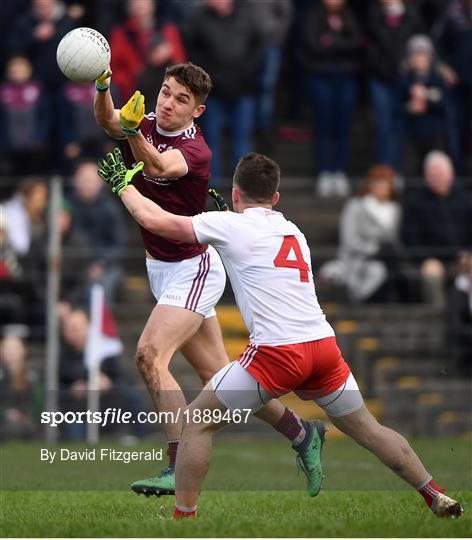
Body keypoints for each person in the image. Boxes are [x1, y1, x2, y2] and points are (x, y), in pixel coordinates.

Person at [98, 148, 463, 519]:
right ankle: (434, 493)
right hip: (323, 349)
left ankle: (182, 518)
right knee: (369, 429)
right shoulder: (294, 231)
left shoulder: (230, 224)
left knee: (195, 422)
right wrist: (228, 219)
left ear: (236, 193)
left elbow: (155, 221)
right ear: (275, 198)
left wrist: (122, 185)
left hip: (277, 354)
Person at [93, 62, 318, 496]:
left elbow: (158, 166)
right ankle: (302, 433)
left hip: (193, 267)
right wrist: (103, 86)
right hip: (161, 267)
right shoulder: (148, 118)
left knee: (148, 356)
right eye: (165, 92)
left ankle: (175, 464)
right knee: (220, 375)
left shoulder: (196, 151)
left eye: (182, 100)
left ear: (198, 111)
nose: (168, 103)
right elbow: (107, 120)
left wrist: (132, 131)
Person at [302, 0, 363, 197]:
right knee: (323, 124)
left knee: (343, 125)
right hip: (321, 76)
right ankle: (324, 172)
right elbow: (312, 44)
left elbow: (357, 43)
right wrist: (340, 43)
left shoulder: (350, 15)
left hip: (345, 76)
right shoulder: (314, 15)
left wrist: (331, 41)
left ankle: (339, 171)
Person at [401, 151, 472, 307]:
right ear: (426, 176)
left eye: (442, 174)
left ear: (452, 174)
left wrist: (467, 253)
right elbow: (410, 240)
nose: (439, 178)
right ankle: (438, 316)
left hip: (464, 258)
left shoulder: (466, 201)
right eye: (435, 175)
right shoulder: (415, 203)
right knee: (432, 272)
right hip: (431, 260)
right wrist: (429, 258)